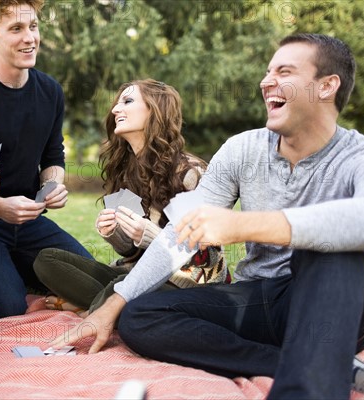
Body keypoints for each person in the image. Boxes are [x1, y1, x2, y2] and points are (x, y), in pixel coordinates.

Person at [52, 34, 364, 399]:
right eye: (267, 72)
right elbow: (177, 237)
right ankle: (311, 365)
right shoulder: (242, 148)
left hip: (335, 309)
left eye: (284, 72)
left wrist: (242, 225)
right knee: (140, 317)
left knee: (328, 248)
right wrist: (113, 305)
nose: (266, 82)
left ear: (327, 86)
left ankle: (306, 385)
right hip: (259, 300)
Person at [0, 0, 92, 319]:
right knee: (6, 306)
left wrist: (52, 185)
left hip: (29, 221)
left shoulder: (50, 91)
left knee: (92, 284)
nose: (30, 38)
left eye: (33, 27)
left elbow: (53, 155)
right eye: (16, 29)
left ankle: (10, 267)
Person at [34, 79, 228, 316]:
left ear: (155, 109)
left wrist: (150, 235)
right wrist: (115, 234)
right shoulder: (125, 171)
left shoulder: (190, 173)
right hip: (135, 272)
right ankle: (117, 309)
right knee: (47, 259)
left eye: (127, 101)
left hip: (188, 282)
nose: (115, 109)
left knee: (116, 291)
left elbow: (205, 253)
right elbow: (130, 253)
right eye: (117, 103)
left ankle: (99, 312)